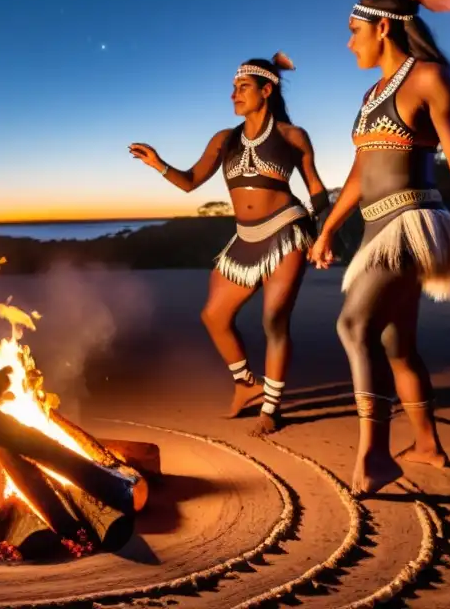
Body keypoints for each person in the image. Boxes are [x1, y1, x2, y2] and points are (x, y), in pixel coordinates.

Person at [309, 0, 450, 496]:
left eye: (354, 31)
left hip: (413, 223)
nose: (349, 43)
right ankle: (428, 445)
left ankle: (374, 456)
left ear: (383, 26)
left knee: (353, 328)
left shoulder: (431, 78)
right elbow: (358, 173)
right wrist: (328, 230)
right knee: (396, 344)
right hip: (375, 228)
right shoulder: (372, 97)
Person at [130, 53, 329, 434]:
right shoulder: (224, 139)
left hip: (286, 231)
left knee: (275, 320)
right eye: (233, 88)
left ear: (266, 90)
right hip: (244, 238)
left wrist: (322, 234)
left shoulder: (292, 136)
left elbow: (317, 190)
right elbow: (190, 182)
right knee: (214, 316)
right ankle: (246, 385)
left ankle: (271, 409)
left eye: (243, 88)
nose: (234, 95)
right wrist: (159, 164)